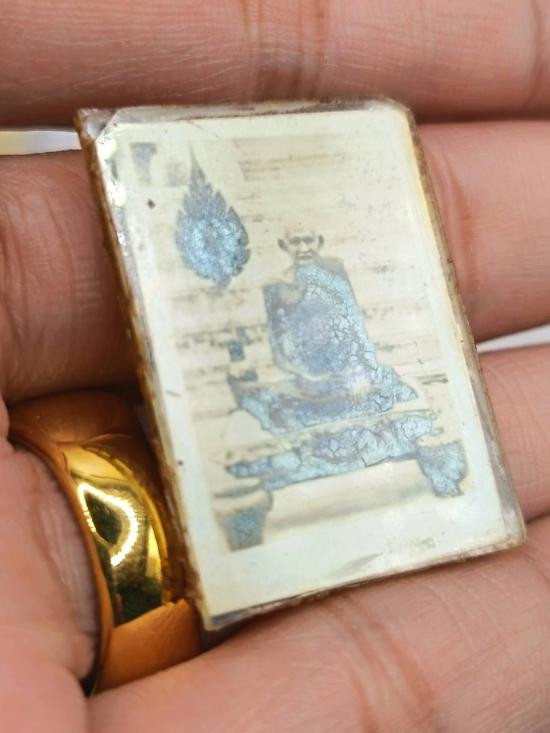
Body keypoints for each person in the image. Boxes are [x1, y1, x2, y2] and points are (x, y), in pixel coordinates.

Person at [1, 2, 549, 731]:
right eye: (296, 247)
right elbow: (290, 350)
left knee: (373, 397)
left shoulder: (333, 278)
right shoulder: (275, 291)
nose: (303, 251)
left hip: (353, 383)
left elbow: (356, 346)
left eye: (310, 245)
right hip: (302, 395)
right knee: (285, 411)